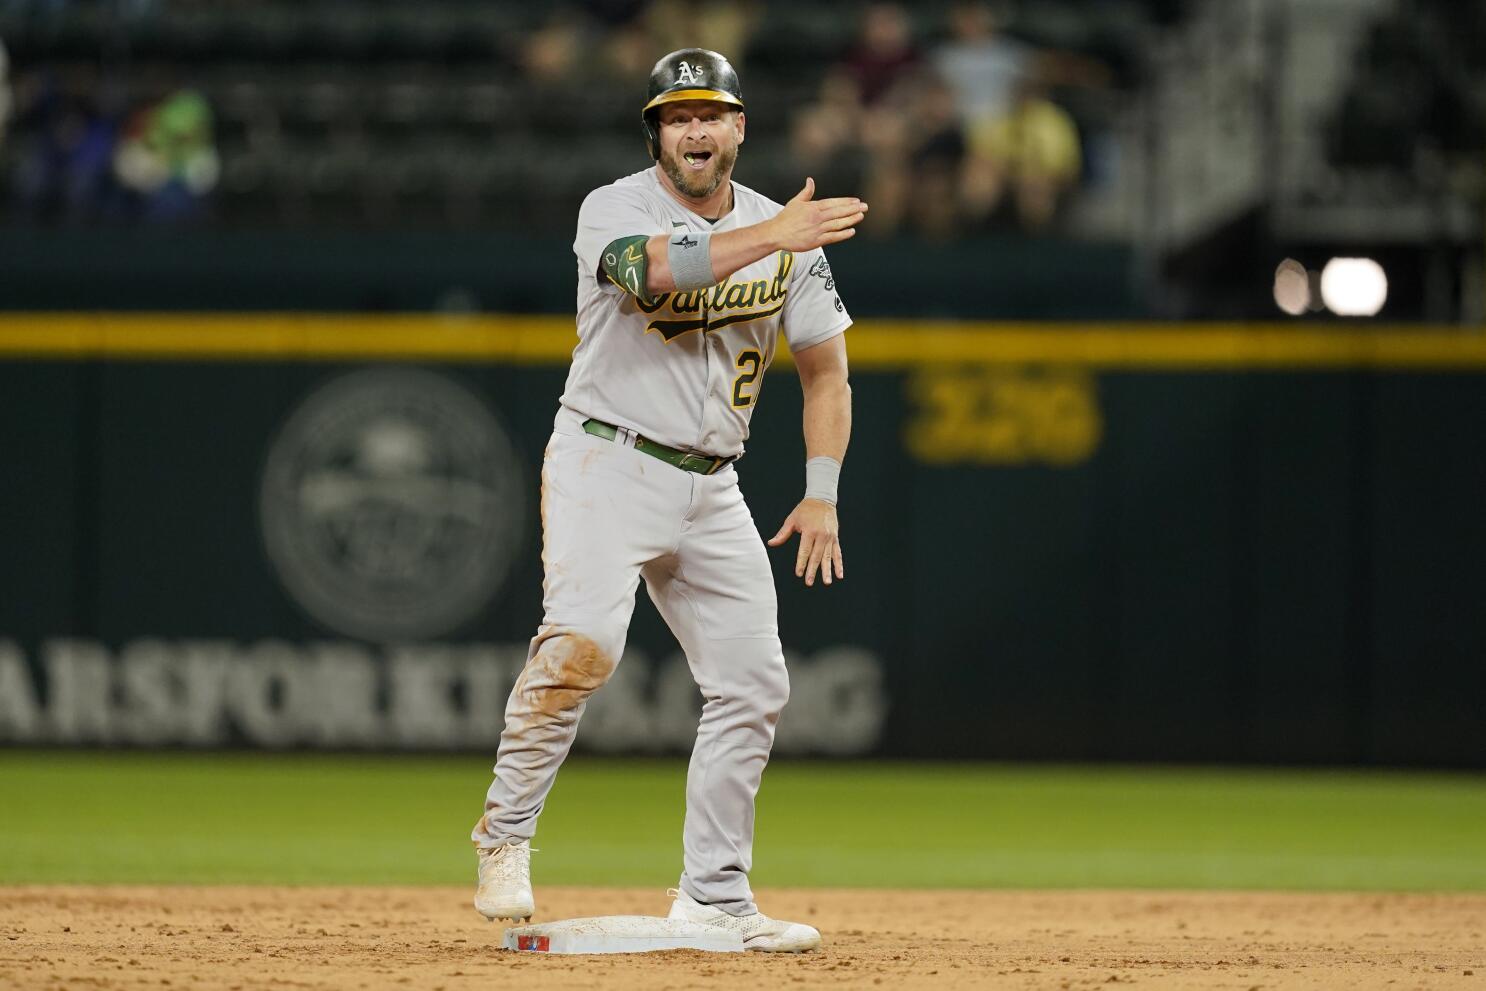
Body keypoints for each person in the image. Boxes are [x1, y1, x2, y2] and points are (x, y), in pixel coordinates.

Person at [470, 48, 865, 952]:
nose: (694, 128)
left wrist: (822, 492)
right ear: (656, 132)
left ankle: (716, 895)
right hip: (604, 459)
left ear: (739, 128)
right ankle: (505, 834)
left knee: (755, 683)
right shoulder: (614, 207)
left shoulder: (780, 227)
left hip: (712, 480)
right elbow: (652, 272)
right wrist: (776, 236)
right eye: (675, 115)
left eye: (709, 113)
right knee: (586, 645)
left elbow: (827, 370)